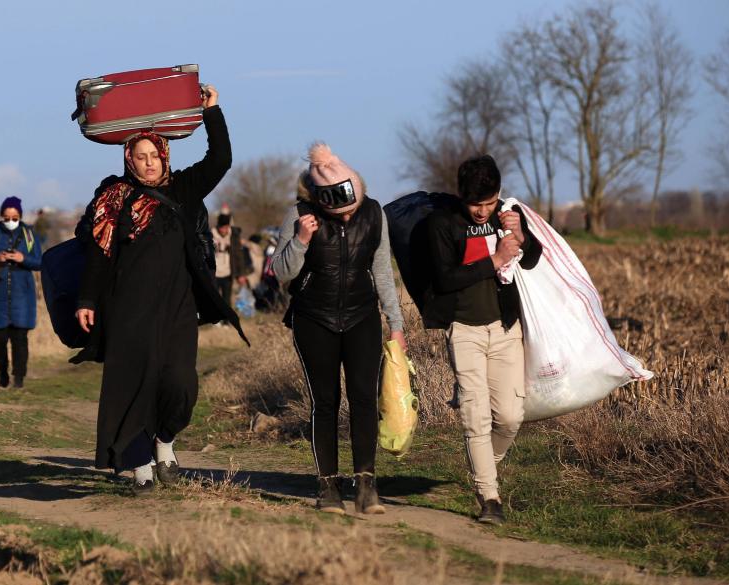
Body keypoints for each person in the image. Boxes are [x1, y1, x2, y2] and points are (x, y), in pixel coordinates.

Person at [72, 85, 244, 492]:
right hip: (127, 309)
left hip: (178, 309)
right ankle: (140, 465)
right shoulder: (114, 199)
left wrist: (212, 112)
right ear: (128, 159)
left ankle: (165, 440)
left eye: (154, 156)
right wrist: (87, 299)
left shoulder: (181, 190)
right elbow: (99, 254)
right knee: (133, 385)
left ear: (164, 155)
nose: (148, 164)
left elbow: (221, 159)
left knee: (180, 383)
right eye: (140, 157)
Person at [273, 143, 406, 515]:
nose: (346, 219)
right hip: (313, 319)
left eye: (351, 212)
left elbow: (382, 273)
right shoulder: (299, 215)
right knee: (325, 402)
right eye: (338, 214)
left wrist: (396, 325)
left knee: (364, 399)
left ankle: (366, 485)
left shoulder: (374, 213)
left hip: (363, 317)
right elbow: (282, 273)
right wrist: (301, 240)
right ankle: (327, 487)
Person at [423, 155, 542, 524]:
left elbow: (534, 258)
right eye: (476, 204)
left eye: (489, 202)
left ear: (498, 194)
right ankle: (489, 498)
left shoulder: (507, 215)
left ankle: (482, 463)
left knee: (509, 418)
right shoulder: (441, 224)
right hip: (464, 330)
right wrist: (494, 259)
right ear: (462, 197)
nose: (482, 211)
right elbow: (443, 279)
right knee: (475, 417)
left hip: (507, 329)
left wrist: (520, 236)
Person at [0, 196, 43, 389]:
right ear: (1, 216)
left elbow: (40, 262)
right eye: (7, 217)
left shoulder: (29, 234)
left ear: (20, 216)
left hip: (23, 294)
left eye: (14, 217)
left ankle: (19, 378)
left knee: (20, 339)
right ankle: (2, 369)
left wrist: (23, 258)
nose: (10, 221)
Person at [212, 212, 249, 304]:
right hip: (214, 273)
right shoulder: (210, 235)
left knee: (227, 299)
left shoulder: (234, 236)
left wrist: (241, 274)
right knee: (213, 299)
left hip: (228, 272)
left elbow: (239, 256)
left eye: (226, 227)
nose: (224, 230)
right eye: (222, 227)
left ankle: (227, 318)